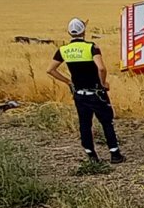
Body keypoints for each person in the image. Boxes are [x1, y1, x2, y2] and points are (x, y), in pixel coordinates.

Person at [47, 18, 126, 163]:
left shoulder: (63, 50)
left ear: (69, 32)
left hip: (79, 94)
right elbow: (101, 68)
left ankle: (91, 155)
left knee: (85, 124)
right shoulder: (91, 47)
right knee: (106, 122)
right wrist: (103, 83)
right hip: (96, 93)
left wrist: (68, 82)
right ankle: (115, 154)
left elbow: (50, 70)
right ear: (84, 31)